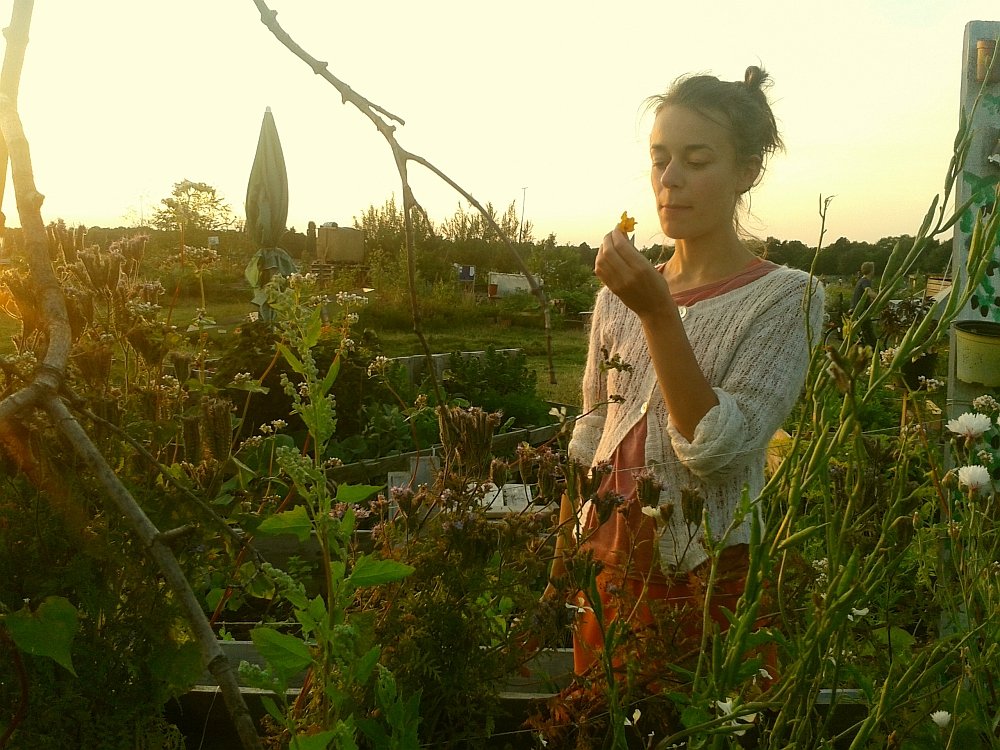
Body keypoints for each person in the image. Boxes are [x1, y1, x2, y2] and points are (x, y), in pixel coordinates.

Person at [548, 66, 825, 679]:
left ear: (746, 170)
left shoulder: (787, 298)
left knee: (706, 716)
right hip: (608, 556)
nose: (670, 180)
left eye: (697, 160)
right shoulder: (620, 294)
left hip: (705, 562)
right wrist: (567, 540)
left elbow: (715, 448)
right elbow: (593, 428)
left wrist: (657, 312)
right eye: (659, 159)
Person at [851, 261, 877, 346]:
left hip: (859, 309)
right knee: (870, 334)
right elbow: (868, 292)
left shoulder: (861, 280)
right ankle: (875, 352)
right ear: (871, 271)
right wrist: (881, 297)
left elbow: (866, 296)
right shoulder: (865, 281)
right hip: (861, 311)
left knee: (867, 332)